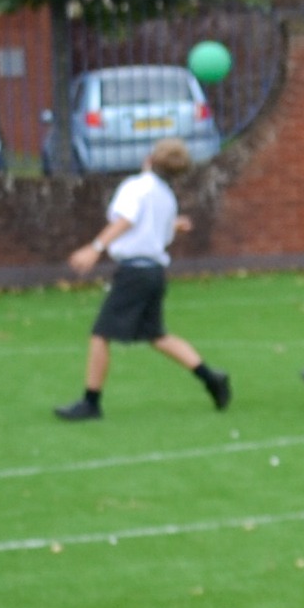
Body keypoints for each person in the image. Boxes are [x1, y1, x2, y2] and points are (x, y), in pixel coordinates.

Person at [58, 137, 231, 421]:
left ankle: (91, 402)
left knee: (100, 334)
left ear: (149, 158)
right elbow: (156, 232)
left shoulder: (136, 187)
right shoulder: (166, 197)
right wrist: (173, 224)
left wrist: (95, 247)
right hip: (154, 272)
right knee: (157, 335)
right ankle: (212, 378)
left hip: (134, 272)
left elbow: (126, 220)